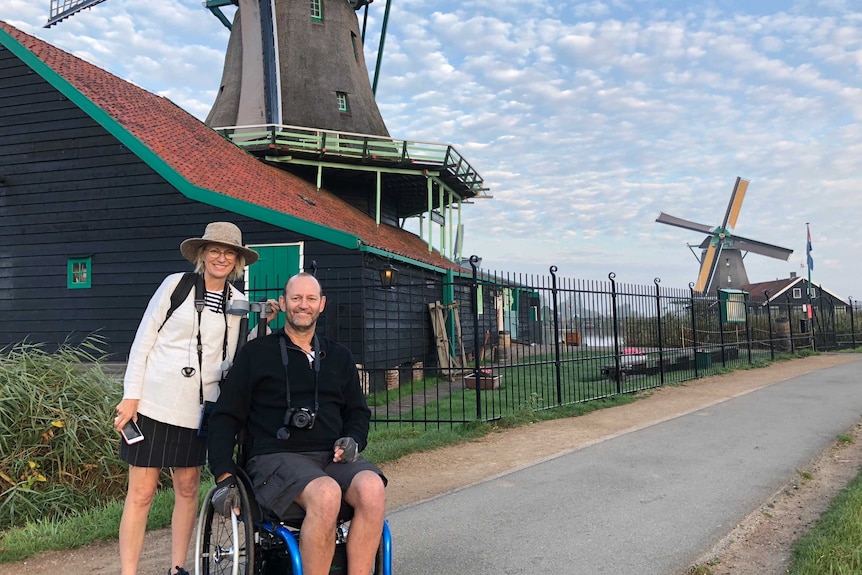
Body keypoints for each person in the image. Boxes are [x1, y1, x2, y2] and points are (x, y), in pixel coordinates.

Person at [113, 221, 276, 575]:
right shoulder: (176, 286)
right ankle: (128, 571)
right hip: (154, 403)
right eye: (214, 250)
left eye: (229, 252)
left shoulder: (238, 303)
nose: (221, 258)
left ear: (237, 261)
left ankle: (176, 568)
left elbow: (238, 353)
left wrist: (265, 323)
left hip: (199, 408)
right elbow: (143, 341)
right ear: (202, 254)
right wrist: (131, 396)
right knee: (141, 493)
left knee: (187, 488)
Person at [207, 272, 387, 575]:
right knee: (327, 493)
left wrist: (354, 440)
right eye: (296, 298)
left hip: (330, 457)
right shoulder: (256, 354)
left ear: (322, 305)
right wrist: (223, 472)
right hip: (272, 459)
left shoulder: (339, 356)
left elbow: (358, 413)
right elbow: (226, 415)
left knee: (372, 487)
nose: (303, 305)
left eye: (310, 299)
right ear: (283, 302)